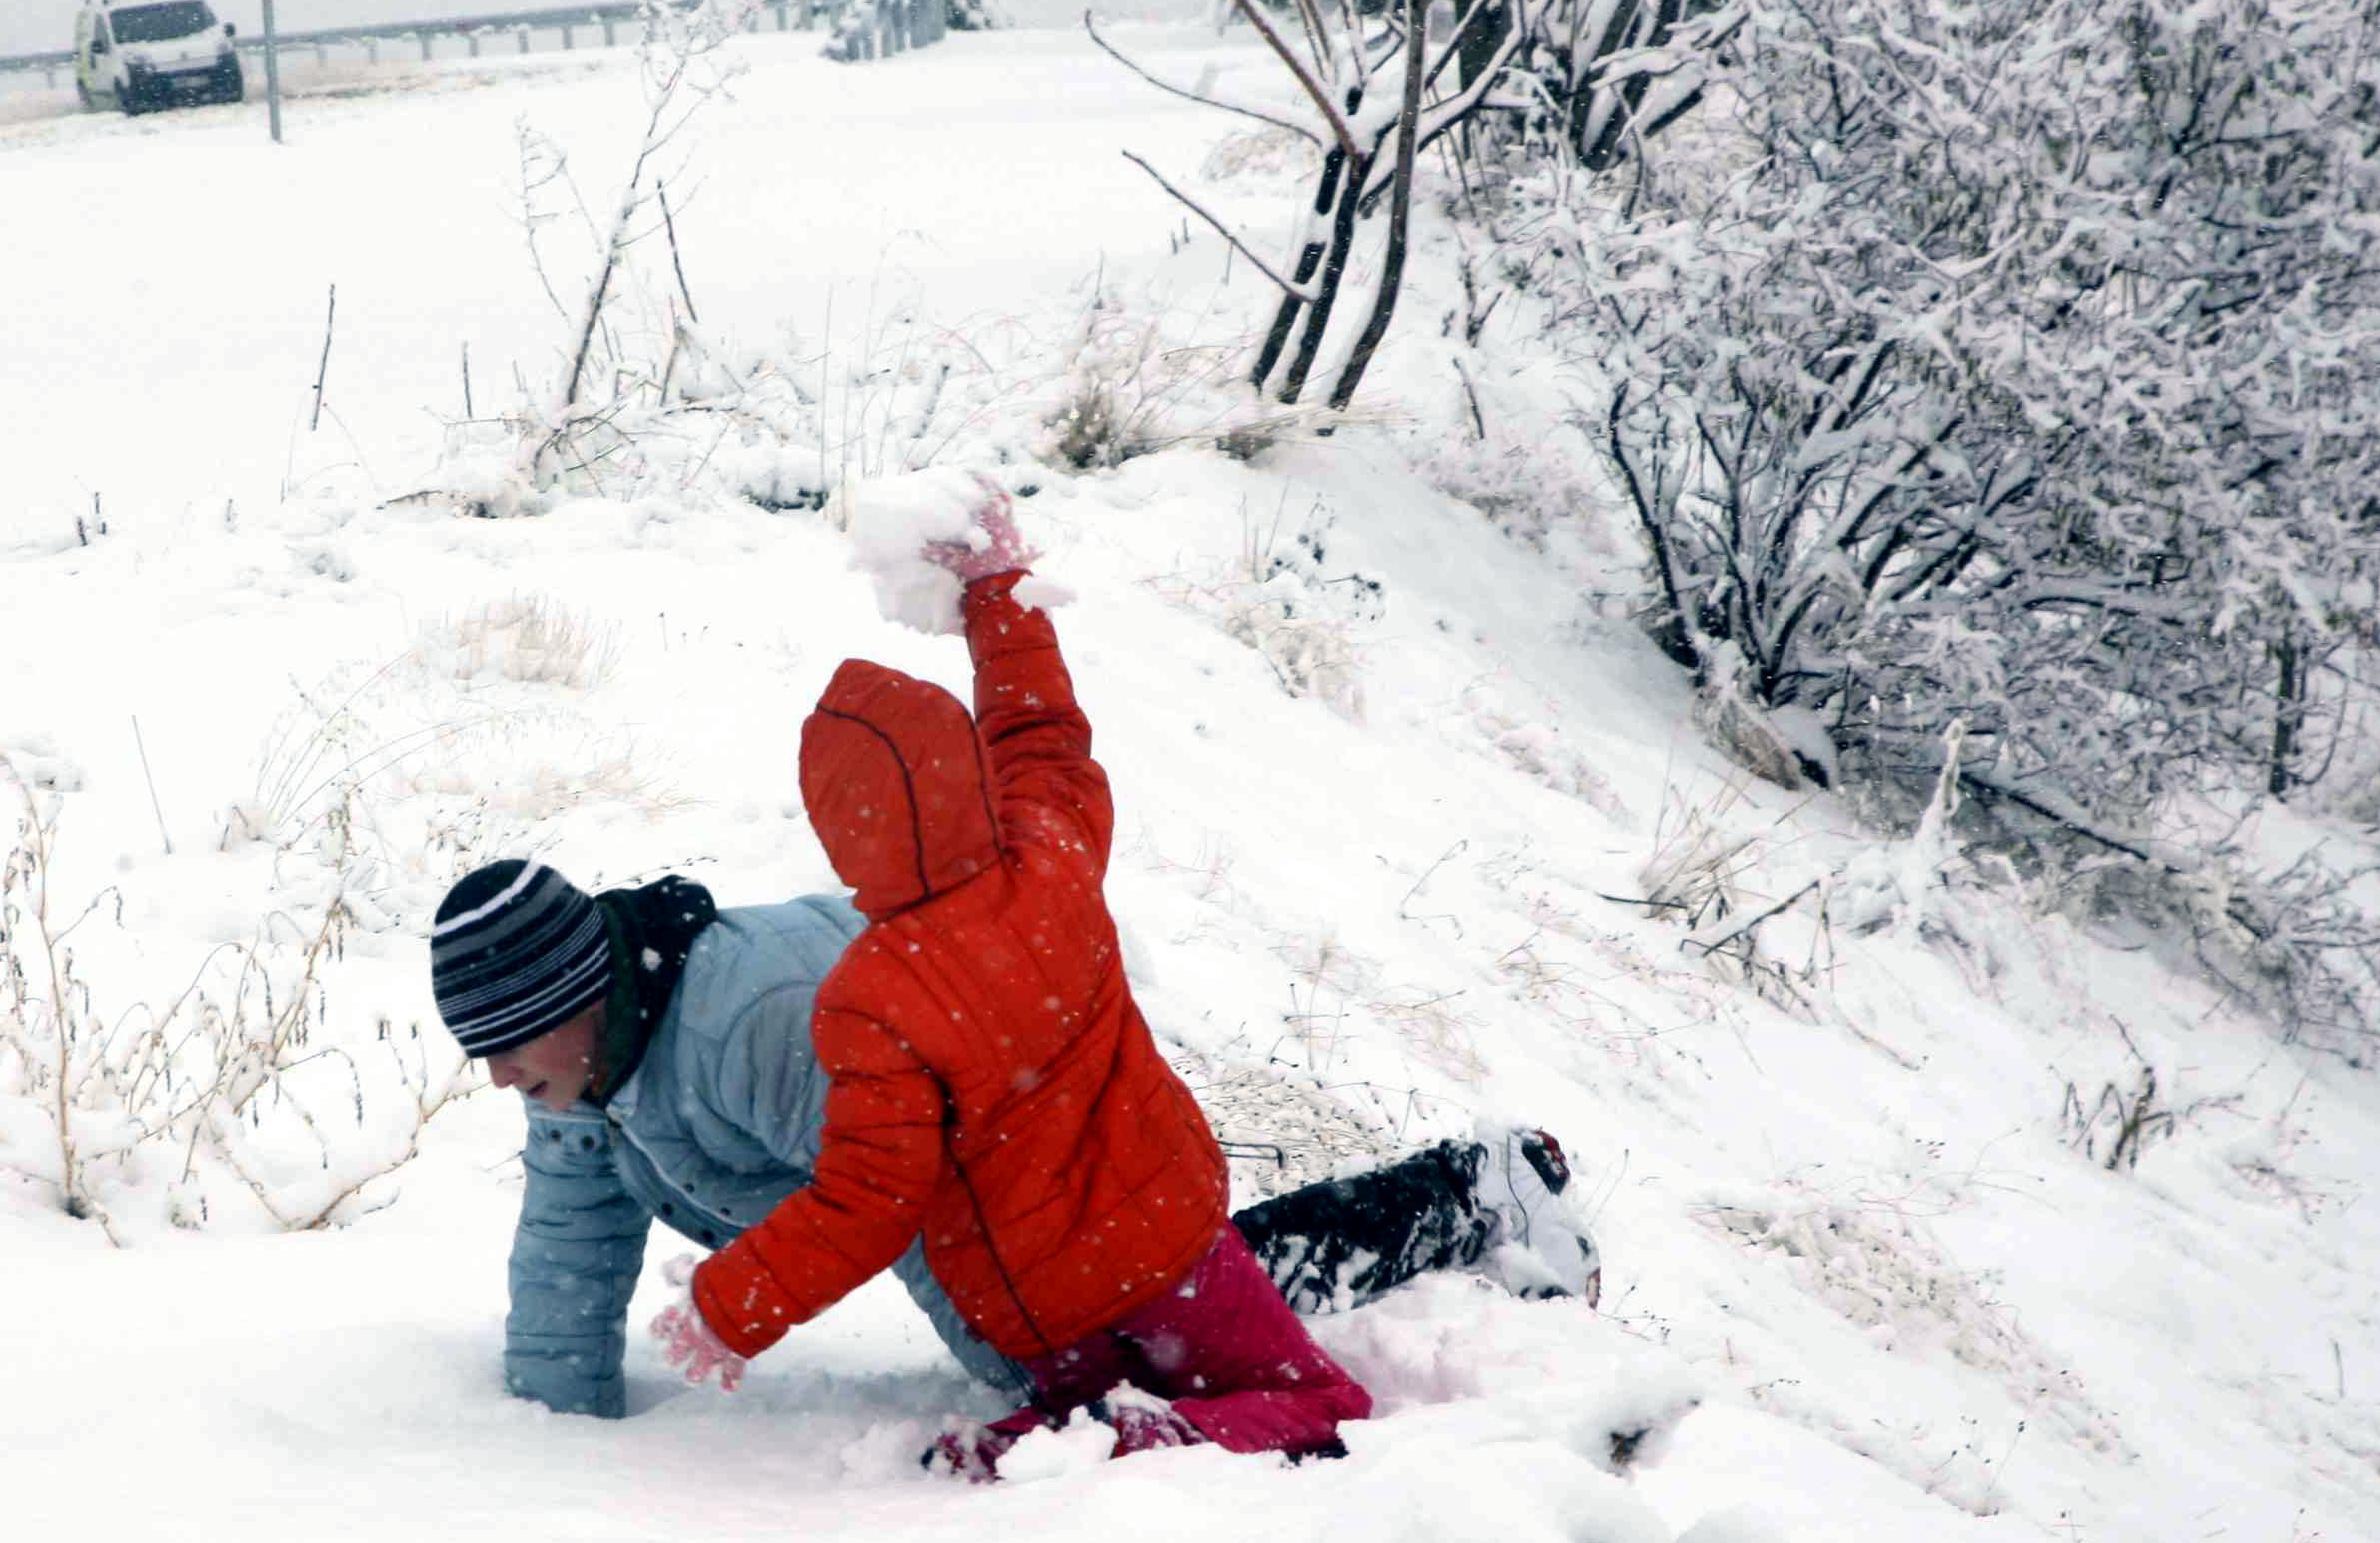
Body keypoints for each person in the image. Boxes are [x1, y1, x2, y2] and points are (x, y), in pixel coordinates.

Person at [428, 504, 1598, 1469]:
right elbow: (1043, 744)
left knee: (1170, 1311)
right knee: (1165, 1276)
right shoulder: (593, 1072)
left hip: (1027, 1160)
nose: (498, 1076)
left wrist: (1015, 1360)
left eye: (512, 1043)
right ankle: (1378, 1241)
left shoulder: (792, 1018)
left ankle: (1469, 1194)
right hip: (1094, 1147)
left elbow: (894, 1194)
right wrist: (546, 1428)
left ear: (579, 997)